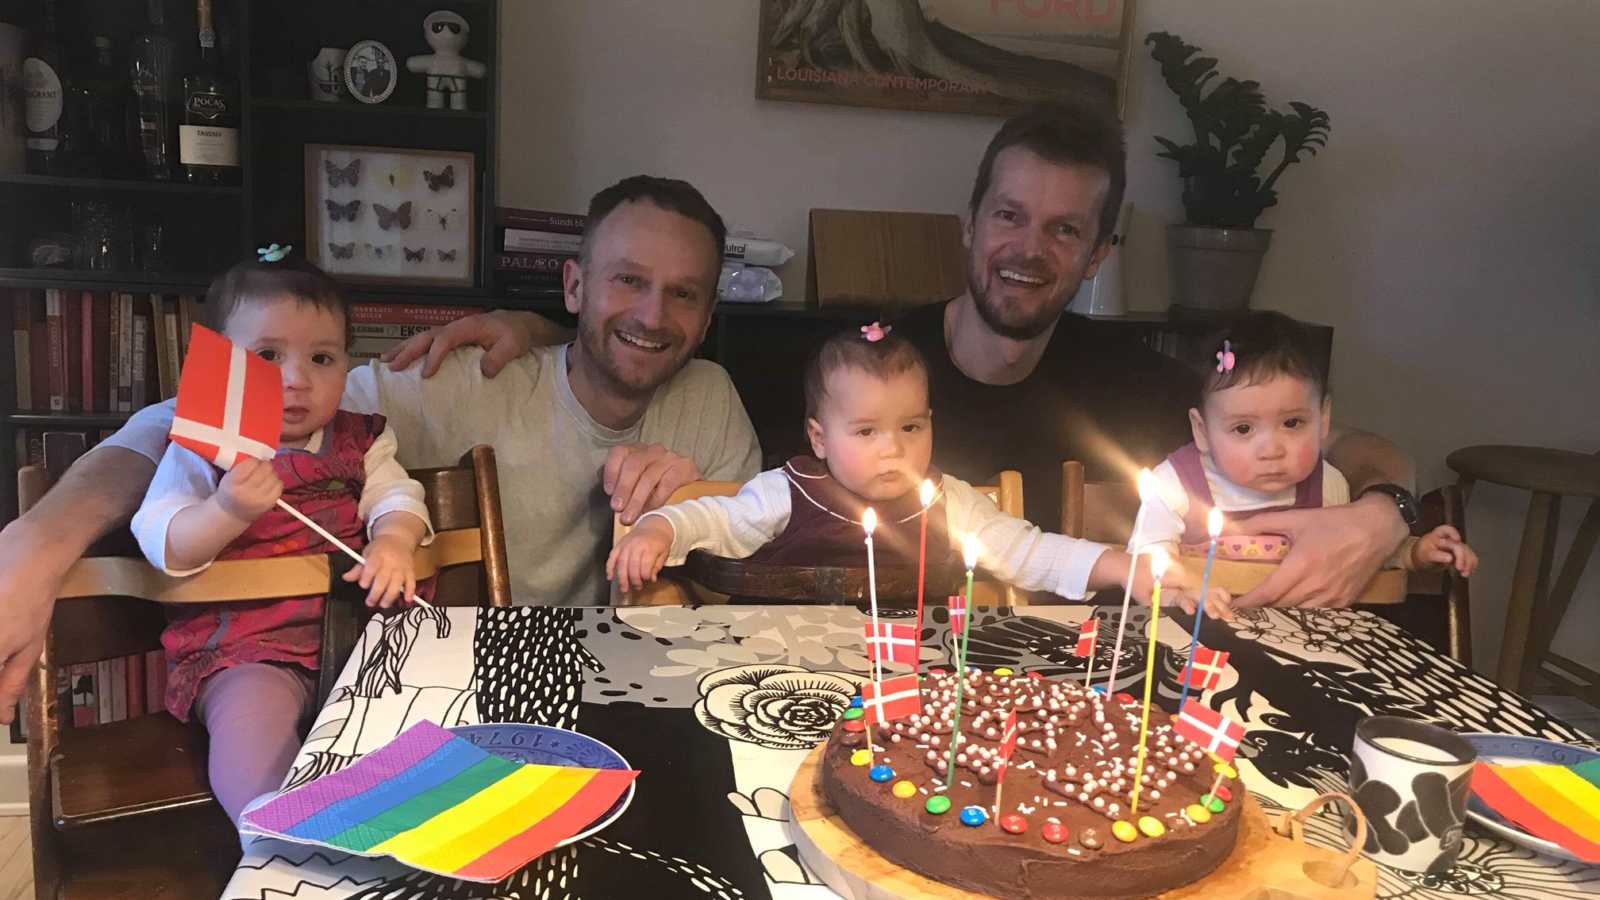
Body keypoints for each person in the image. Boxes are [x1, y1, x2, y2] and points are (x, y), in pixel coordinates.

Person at [382, 103, 1418, 611]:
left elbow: (1340, 445)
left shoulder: (1144, 382)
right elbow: (718, 473)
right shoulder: (845, 356)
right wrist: (542, 337)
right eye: (1010, 215)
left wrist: (1381, 513)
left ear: (1099, 254)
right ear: (968, 226)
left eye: (1065, 231)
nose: (1029, 247)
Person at [0, 175, 760, 726]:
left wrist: (699, 507)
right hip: (472, 701)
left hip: (643, 701)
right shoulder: (461, 382)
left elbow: (753, 591)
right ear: (573, 286)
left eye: (683, 293)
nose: (653, 314)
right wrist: (35, 543)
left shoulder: (712, 396)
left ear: (708, 312)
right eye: (628, 280)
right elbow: (178, 422)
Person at [609, 324, 1227, 615]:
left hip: (910, 678)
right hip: (782, 670)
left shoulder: (946, 501)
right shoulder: (785, 495)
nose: (894, 449)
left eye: (912, 427)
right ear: (819, 438)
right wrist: (658, 531)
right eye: (867, 431)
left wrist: (1125, 566)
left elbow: (1028, 552)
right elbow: (711, 519)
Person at [130, 250, 432, 824]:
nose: (296, 379)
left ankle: (405, 827)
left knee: (422, 708)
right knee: (252, 724)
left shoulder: (363, 443)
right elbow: (163, 542)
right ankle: (275, 832)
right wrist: (225, 509)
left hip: (361, 633)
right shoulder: (204, 449)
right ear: (218, 367)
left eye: (322, 357)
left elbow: (399, 498)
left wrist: (392, 541)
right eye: (267, 356)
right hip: (245, 646)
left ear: (347, 366)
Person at [1137, 311, 1476, 581]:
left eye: (1292, 423)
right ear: (1202, 431)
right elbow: (1145, 564)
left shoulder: (1327, 486)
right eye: (1243, 428)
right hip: (1201, 639)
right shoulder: (1176, 485)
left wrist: (1414, 554)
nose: (1271, 449)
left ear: (1323, 419)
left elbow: (1359, 555)